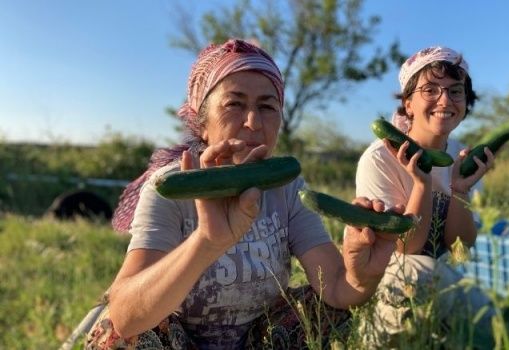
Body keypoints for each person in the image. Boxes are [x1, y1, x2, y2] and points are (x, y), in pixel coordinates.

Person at [85, 39, 401, 349]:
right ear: (203, 124)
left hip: (258, 341)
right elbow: (123, 317)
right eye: (234, 104)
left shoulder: (287, 187)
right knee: (113, 339)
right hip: (180, 342)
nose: (252, 122)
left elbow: (334, 287)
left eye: (267, 107)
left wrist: (360, 278)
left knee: (327, 311)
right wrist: (207, 242)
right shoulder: (169, 188)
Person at [355, 46, 496, 345]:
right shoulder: (380, 158)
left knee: (487, 319)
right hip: (391, 274)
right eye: (430, 90)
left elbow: (462, 249)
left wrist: (459, 189)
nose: (444, 100)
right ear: (408, 104)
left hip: (444, 275)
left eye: (455, 91)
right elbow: (406, 249)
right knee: (426, 277)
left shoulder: (463, 156)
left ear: (466, 103)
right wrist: (422, 185)